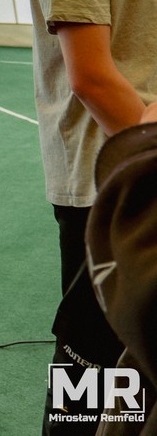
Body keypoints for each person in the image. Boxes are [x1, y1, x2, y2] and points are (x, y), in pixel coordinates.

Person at [29, 0, 157, 434]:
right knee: (95, 370)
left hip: (144, 167)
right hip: (106, 185)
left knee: (143, 355)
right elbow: (93, 77)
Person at [83, 103, 157, 436]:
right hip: (95, 187)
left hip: (126, 183)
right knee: (82, 345)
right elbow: (85, 80)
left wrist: (144, 140)